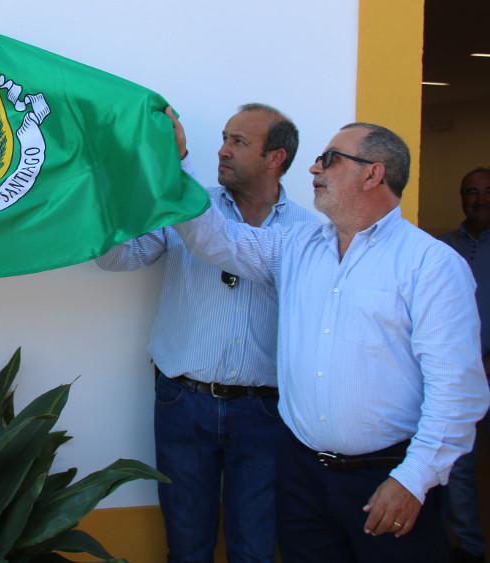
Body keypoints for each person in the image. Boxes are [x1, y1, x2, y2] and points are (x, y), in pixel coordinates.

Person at [172, 120, 490, 562]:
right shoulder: (297, 245)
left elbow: (457, 392)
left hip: (387, 479)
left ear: (373, 174)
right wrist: (176, 163)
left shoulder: (430, 264)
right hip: (301, 475)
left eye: (329, 159)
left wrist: (412, 480)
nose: (314, 169)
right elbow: (216, 237)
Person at [96, 103, 317, 562]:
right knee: (187, 546)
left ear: (275, 157)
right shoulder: (183, 208)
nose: (222, 151)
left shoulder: (307, 235)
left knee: (255, 548)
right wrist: (116, 193)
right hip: (184, 404)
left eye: (238, 141)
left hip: (265, 413)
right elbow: (117, 259)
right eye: (224, 138)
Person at [439, 166, 490, 563]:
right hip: (457, 375)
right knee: (457, 468)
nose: (479, 199)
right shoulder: (443, 247)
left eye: (487, 191)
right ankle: (469, 550)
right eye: (470, 191)